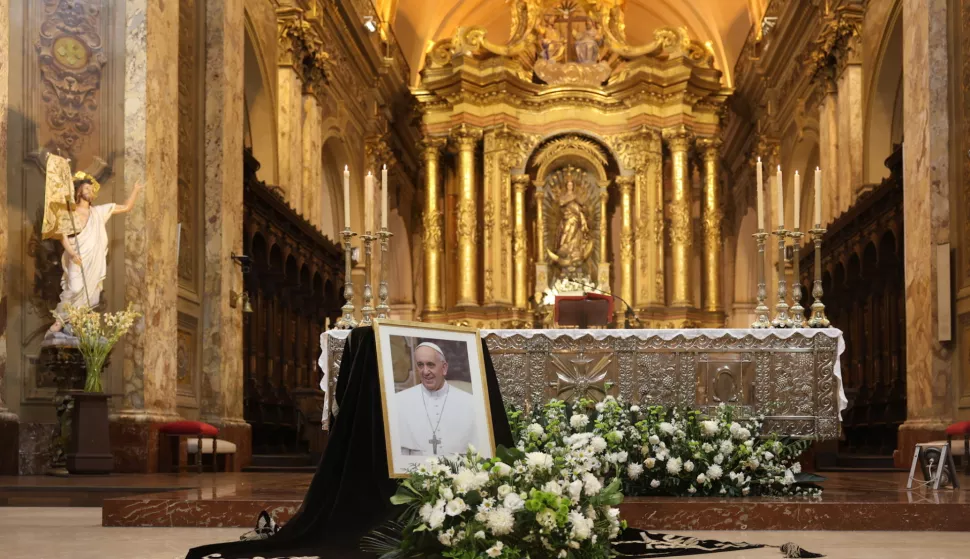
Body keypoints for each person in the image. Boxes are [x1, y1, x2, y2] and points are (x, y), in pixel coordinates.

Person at [48, 173, 143, 333]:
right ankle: (59, 321)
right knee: (75, 288)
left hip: (94, 261)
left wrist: (136, 190)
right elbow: (62, 237)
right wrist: (72, 253)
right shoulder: (70, 213)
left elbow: (126, 207)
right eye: (86, 188)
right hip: (77, 258)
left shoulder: (98, 212)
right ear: (79, 192)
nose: (89, 191)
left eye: (91, 189)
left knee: (91, 294)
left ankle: (74, 323)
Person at [395, 342, 477, 456]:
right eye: (420, 365)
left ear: (444, 368)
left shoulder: (470, 403)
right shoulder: (399, 402)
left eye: (430, 364)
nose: (425, 371)